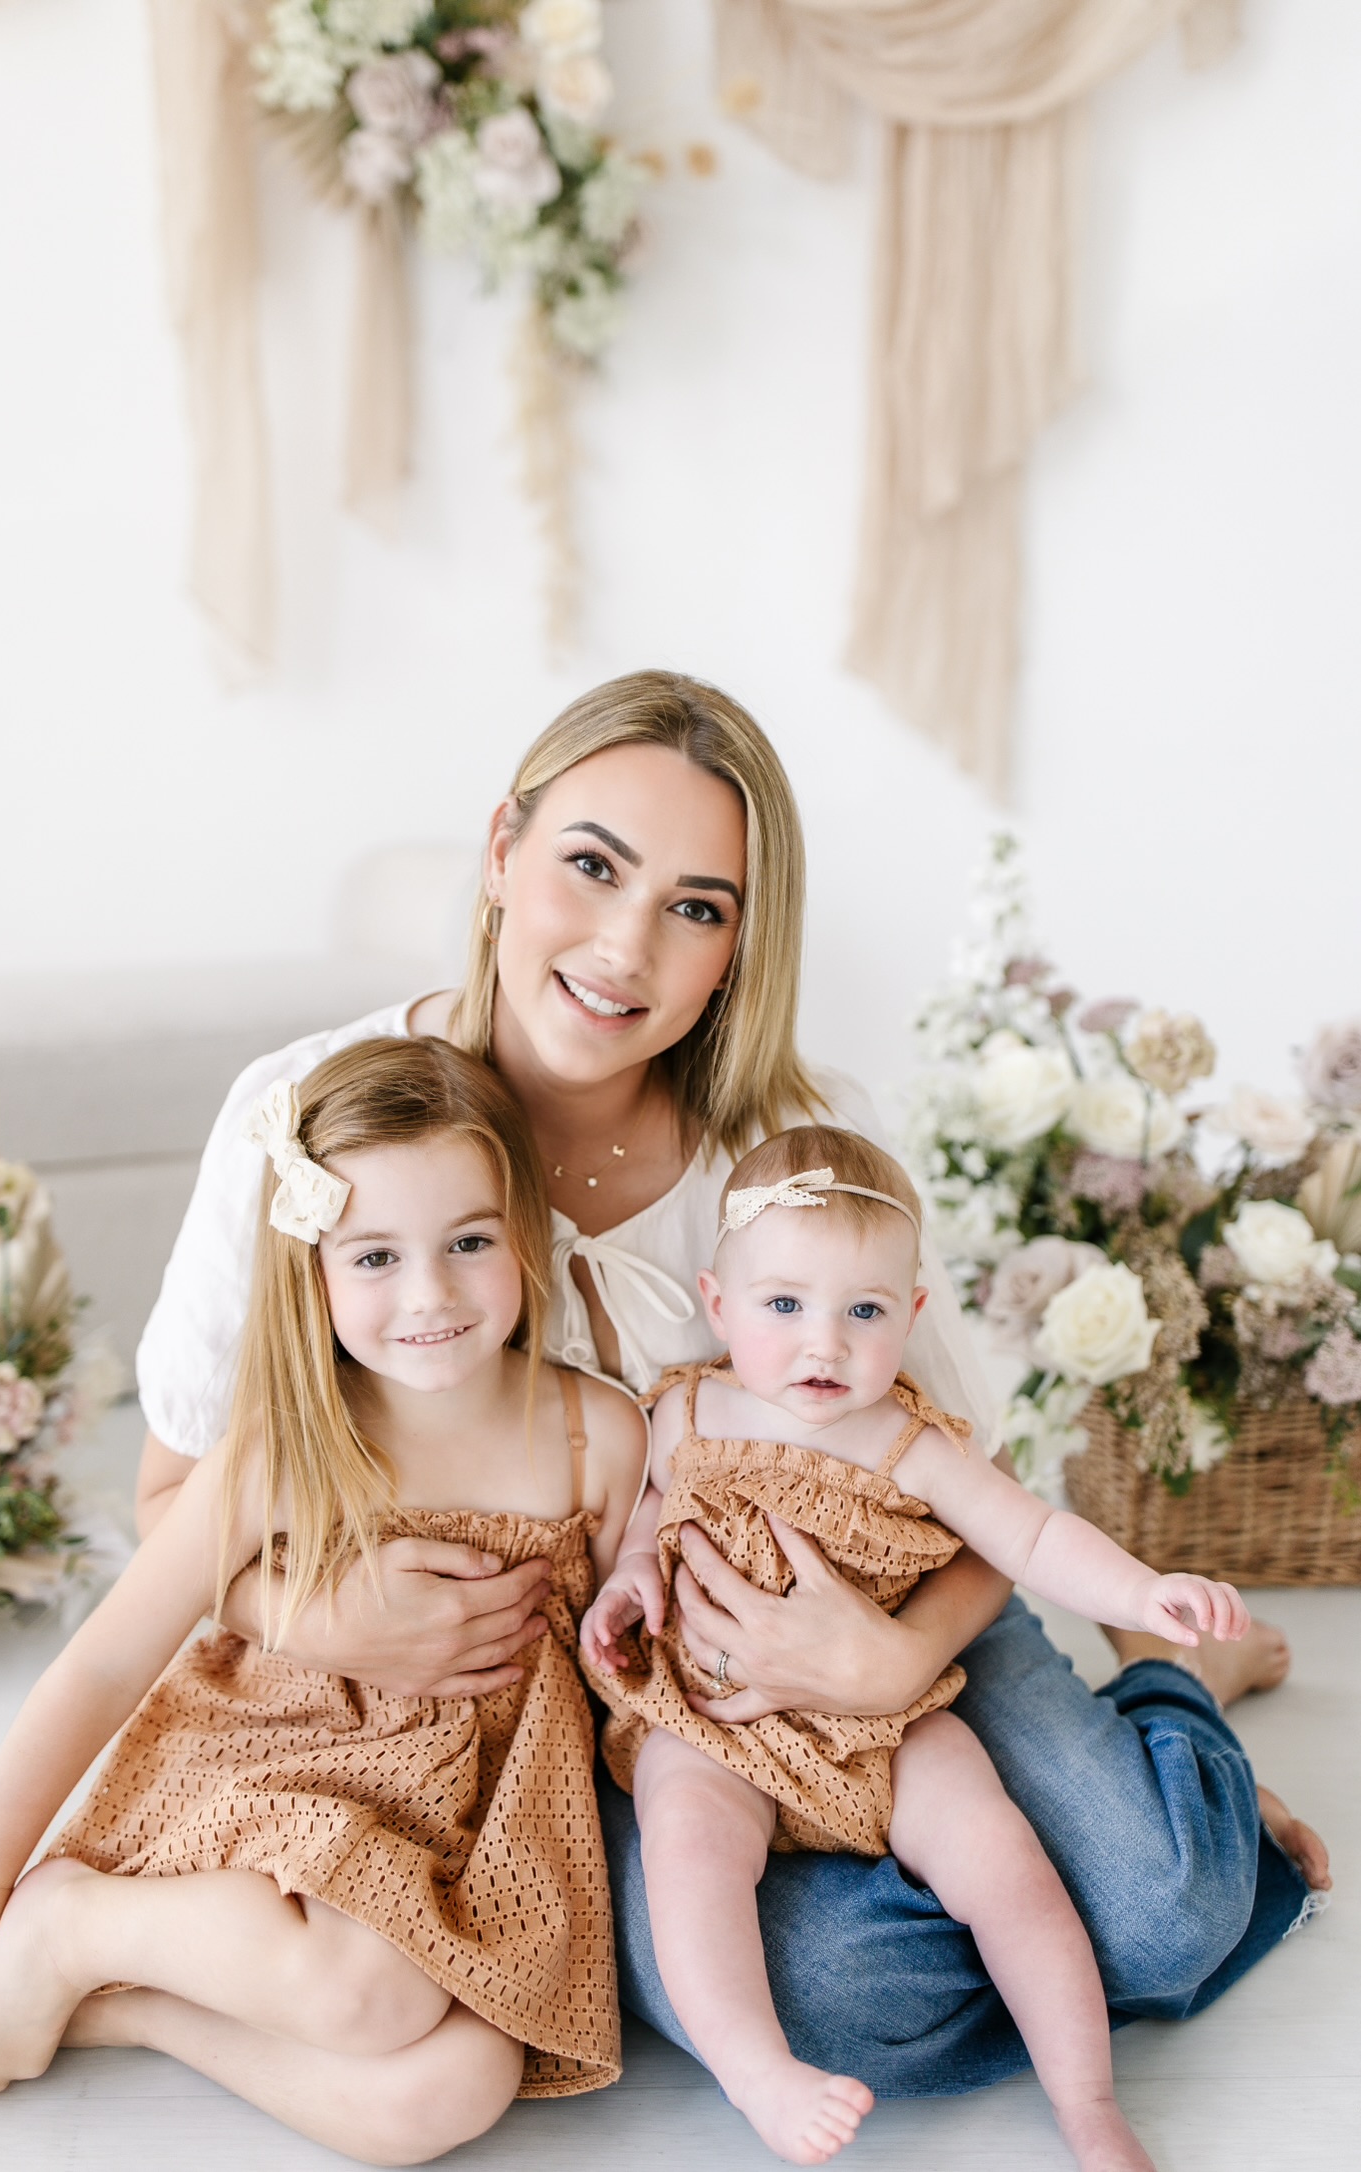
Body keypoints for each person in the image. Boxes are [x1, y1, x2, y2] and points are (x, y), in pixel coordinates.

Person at [126, 670, 1324, 2107]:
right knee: (827, 1998)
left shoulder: (802, 1148)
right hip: (626, 1701)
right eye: (591, 866)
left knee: (1166, 1913)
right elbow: (170, 1497)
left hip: (885, 1607)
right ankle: (1047, 1880)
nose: (624, 947)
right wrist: (315, 1615)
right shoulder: (319, 1117)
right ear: (502, 850)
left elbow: (976, 1498)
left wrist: (893, 1660)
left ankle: (1178, 1700)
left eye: (695, 907)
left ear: (736, 952)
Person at [0, 1040, 648, 2161]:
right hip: (285, 1774)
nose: (431, 1295)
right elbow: (105, 1663)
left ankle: (129, 2005)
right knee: (374, 1993)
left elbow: (616, 1657)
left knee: (453, 2090)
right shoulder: (286, 1448)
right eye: (375, 1256)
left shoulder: (598, 1436)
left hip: (467, 1824)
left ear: (525, 1235)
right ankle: (67, 1915)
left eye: (468, 1241)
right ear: (314, 1269)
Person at [583, 1126, 1259, 2169]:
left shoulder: (913, 1444)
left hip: (888, 1720)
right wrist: (631, 1578)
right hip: (714, 1723)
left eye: (863, 1312)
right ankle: (759, 2071)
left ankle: (1086, 2100)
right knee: (686, 1848)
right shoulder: (683, 1414)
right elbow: (643, 1518)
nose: (824, 1345)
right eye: (783, 1306)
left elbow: (1032, 1537)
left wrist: (1143, 1589)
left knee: (1004, 1861)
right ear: (718, 1304)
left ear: (912, 1312)